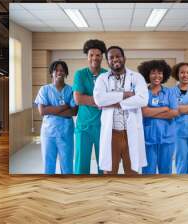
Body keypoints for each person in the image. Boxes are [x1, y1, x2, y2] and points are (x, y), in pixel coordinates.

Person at [93, 46, 148, 174]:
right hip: (112, 133)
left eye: (118, 56)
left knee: (132, 173)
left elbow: (143, 99)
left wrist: (115, 103)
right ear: (107, 61)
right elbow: (99, 100)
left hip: (131, 132)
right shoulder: (102, 78)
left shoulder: (137, 77)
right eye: (111, 57)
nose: (115, 59)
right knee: (110, 173)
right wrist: (125, 95)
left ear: (124, 58)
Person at [34, 60, 77, 174]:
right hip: (49, 133)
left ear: (66, 73)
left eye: (62, 70)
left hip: (66, 133)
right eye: (56, 70)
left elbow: (74, 111)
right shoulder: (44, 90)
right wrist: (65, 106)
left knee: (67, 165)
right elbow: (42, 111)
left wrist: (51, 110)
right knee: (48, 165)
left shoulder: (71, 90)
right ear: (51, 73)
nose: (59, 72)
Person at [72, 39, 108, 174]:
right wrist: (100, 100)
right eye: (91, 54)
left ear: (102, 57)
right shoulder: (80, 74)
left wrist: (90, 99)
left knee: (104, 164)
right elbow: (78, 98)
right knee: (81, 163)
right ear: (87, 56)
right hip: (83, 127)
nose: (94, 58)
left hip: (102, 126)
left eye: (98, 55)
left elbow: (110, 99)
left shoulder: (107, 75)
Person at [138, 60, 178, 174]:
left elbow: (174, 113)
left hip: (167, 137)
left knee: (165, 170)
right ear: (147, 75)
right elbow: (143, 112)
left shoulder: (169, 92)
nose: (157, 76)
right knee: (148, 171)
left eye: (160, 73)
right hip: (148, 138)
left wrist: (152, 111)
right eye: (153, 73)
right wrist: (164, 109)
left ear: (164, 74)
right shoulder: (143, 92)